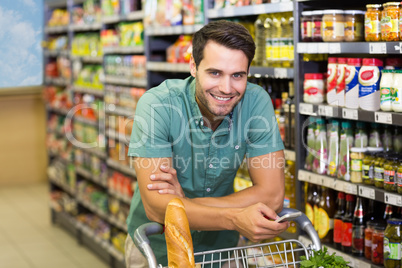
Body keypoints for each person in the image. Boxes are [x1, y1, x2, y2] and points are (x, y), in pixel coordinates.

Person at [125, 20, 287, 267]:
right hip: (157, 247)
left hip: (222, 248)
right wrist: (233, 218)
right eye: (215, 73)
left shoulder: (256, 102)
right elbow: (157, 208)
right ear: (193, 66)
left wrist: (183, 206)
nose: (226, 88)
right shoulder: (157, 105)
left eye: (237, 75)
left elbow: (272, 195)